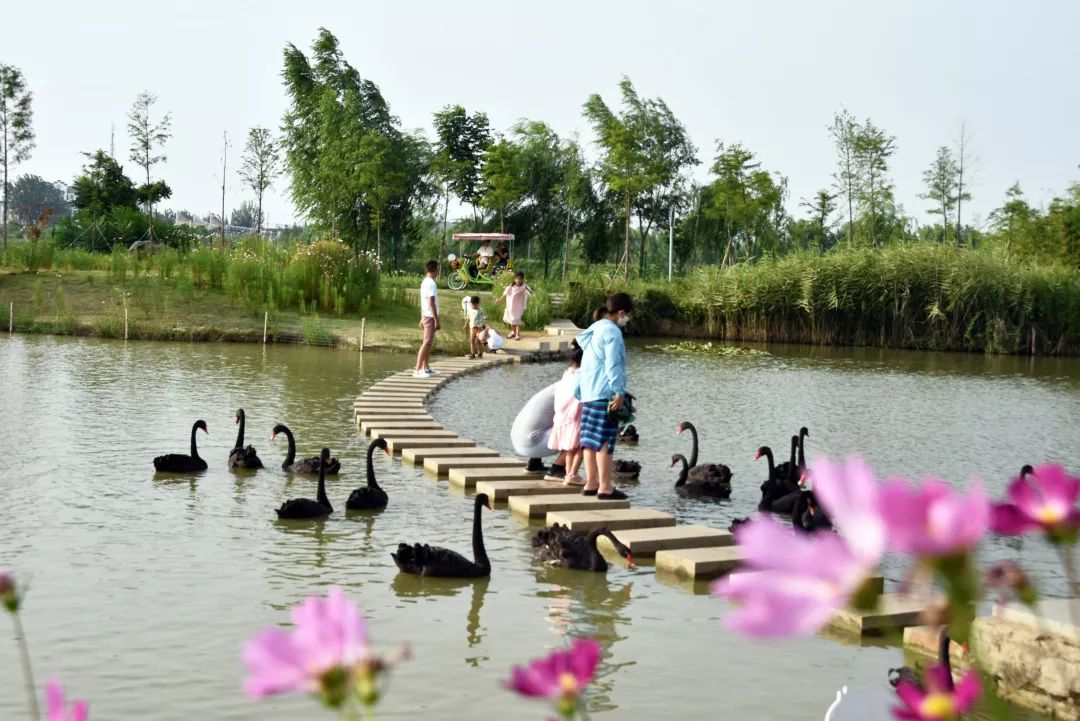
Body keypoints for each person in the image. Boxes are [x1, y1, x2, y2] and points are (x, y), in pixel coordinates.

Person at [574, 292, 634, 500]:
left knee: (589, 440)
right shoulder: (612, 333)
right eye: (628, 315)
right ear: (621, 312)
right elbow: (613, 365)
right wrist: (618, 392)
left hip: (588, 392)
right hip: (603, 392)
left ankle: (591, 483)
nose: (628, 319)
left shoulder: (595, 327)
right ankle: (605, 487)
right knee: (605, 440)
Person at [549, 341, 585, 486]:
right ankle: (573, 473)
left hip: (563, 417)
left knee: (569, 447)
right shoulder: (582, 375)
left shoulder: (567, 373)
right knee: (584, 447)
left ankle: (569, 474)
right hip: (576, 416)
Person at [414, 260, 441, 378]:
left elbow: (423, 301)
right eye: (438, 269)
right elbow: (431, 302)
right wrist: (436, 319)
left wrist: (421, 317)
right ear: (435, 270)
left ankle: (426, 367)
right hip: (430, 316)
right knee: (426, 343)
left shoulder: (425, 282)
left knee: (428, 343)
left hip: (426, 315)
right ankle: (418, 369)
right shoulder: (431, 283)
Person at [495, 272, 532, 340]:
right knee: (512, 320)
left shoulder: (524, 286)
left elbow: (531, 293)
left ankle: (517, 334)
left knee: (517, 319)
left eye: (520, 279)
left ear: (522, 279)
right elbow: (505, 294)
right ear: (514, 279)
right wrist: (499, 300)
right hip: (511, 306)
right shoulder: (511, 286)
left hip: (519, 307)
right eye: (517, 279)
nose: (518, 280)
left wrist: (527, 288)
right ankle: (513, 332)